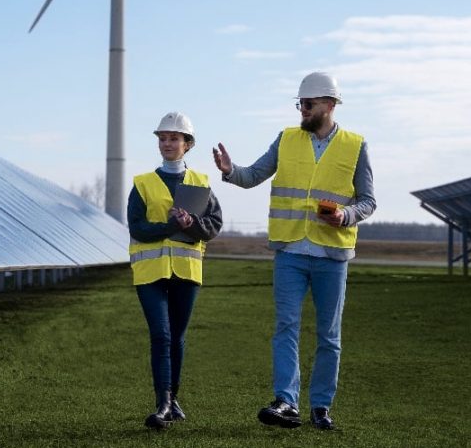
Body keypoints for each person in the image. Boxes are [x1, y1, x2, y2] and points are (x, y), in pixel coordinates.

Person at [212, 72, 375, 431]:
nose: (302, 109)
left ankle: (320, 406)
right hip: (290, 252)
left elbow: (368, 201)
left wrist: (346, 215)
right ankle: (286, 402)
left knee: (329, 336)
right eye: (300, 104)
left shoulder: (355, 145)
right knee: (286, 326)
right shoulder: (286, 139)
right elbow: (254, 174)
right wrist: (229, 171)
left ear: (329, 105)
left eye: (309, 104)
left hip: (332, 255)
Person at [128, 111, 223, 430]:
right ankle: (163, 403)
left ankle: (174, 399)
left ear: (188, 144)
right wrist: (171, 225)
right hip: (150, 272)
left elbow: (213, 226)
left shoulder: (202, 183)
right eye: (163, 138)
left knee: (177, 337)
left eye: (174, 138)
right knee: (161, 334)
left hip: (186, 270)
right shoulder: (142, 184)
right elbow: (138, 227)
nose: (167, 144)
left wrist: (191, 223)